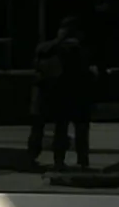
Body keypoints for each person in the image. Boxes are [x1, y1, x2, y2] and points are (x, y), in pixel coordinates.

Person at [27, 15, 96, 172]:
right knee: (67, 129)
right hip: (66, 94)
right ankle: (72, 160)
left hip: (55, 94)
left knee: (52, 129)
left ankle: (41, 159)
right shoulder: (69, 50)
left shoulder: (49, 49)